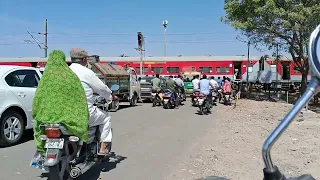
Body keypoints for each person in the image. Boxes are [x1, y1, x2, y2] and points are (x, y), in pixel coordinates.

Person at [32, 50, 89, 154]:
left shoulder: (45, 78)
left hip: (45, 119)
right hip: (67, 120)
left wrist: (35, 113)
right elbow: (80, 97)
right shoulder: (70, 76)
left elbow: (37, 98)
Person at [69, 48, 113, 156]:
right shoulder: (86, 72)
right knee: (106, 118)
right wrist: (110, 98)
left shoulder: (66, 71)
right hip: (84, 113)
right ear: (84, 59)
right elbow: (102, 89)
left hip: (65, 113)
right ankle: (103, 148)